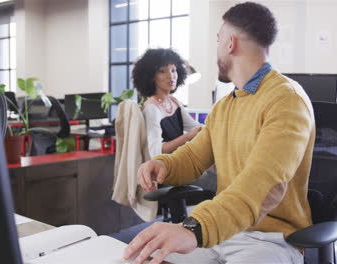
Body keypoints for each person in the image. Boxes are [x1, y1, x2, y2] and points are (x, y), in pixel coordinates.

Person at [124, 2, 315, 264]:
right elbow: (193, 157)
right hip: (223, 233)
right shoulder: (226, 106)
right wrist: (163, 164)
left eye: (217, 40)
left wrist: (193, 229)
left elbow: (261, 187)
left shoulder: (286, 100)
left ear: (230, 43)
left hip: (271, 241)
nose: (216, 50)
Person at [132, 48, 203, 158]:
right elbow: (156, 151)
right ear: (151, 77)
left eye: (173, 70)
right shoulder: (152, 108)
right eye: (162, 71)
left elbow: (195, 128)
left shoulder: (174, 102)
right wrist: (187, 137)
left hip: (177, 163)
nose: (171, 76)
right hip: (163, 169)